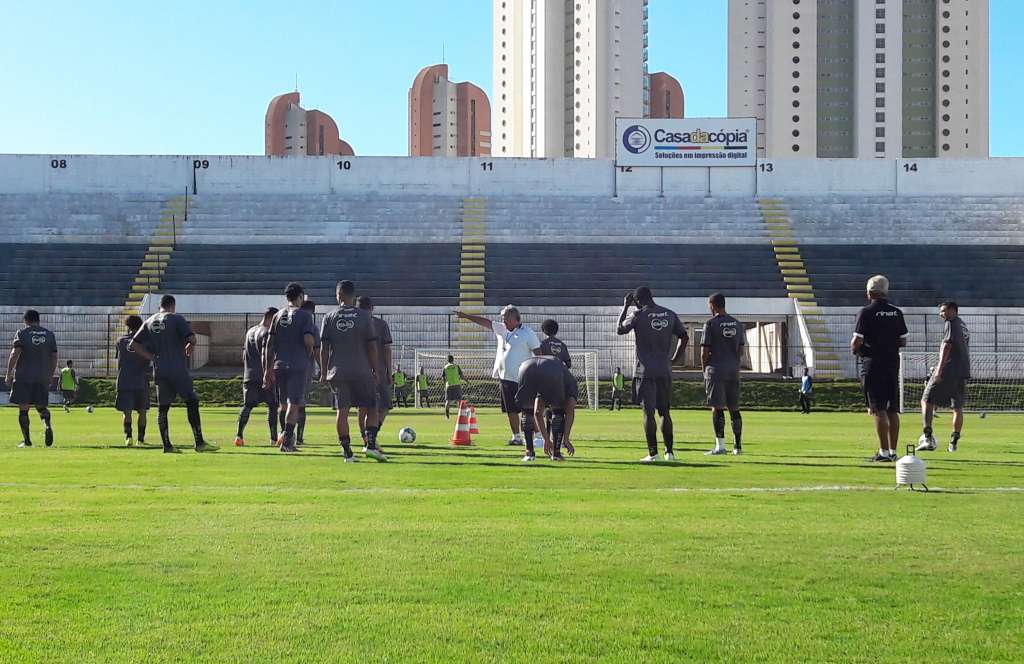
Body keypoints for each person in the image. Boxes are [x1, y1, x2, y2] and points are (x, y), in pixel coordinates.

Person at [129, 295, 217, 453]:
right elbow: (192, 338)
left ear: (159, 306)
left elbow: (133, 344)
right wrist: (190, 344)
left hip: (160, 369)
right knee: (192, 401)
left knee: (163, 408)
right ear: (173, 305)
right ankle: (199, 442)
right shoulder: (176, 319)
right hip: (177, 368)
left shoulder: (149, 321)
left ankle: (167, 445)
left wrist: (151, 357)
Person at [616, 287, 688, 463]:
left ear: (637, 301)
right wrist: (674, 359)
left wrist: (625, 307)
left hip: (645, 371)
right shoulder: (669, 314)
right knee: (665, 412)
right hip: (664, 369)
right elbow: (684, 337)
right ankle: (669, 453)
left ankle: (653, 453)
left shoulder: (638, 315)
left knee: (648, 413)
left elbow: (620, 329)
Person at [455, 305, 542, 446]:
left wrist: (539, 372)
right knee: (510, 410)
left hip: (523, 378)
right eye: (502, 318)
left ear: (515, 319)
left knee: (528, 410)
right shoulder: (502, 329)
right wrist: (466, 316)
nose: (503, 321)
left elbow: (538, 352)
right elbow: (485, 322)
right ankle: (516, 437)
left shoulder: (528, 333)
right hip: (505, 377)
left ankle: (538, 435)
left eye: (506, 318)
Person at [320, 280, 384, 462]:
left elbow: (324, 348)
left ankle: (347, 452)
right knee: (372, 406)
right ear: (353, 296)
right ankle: (370, 445)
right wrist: (375, 369)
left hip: (337, 372)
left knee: (342, 411)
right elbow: (372, 346)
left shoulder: (329, 317)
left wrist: (324, 372)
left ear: (338, 295)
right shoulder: (364, 316)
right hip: (361, 370)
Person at [851, 275, 908, 462]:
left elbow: (857, 341)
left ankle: (883, 452)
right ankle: (893, 451)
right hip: (892, 363)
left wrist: (858, 350)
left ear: (869, 292)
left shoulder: (866, 312)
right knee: (892, 410)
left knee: (878, 408)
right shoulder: (896, 312)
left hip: (873, 363)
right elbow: (903, 340)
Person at [264, 283, 316, 453]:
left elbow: (269, 345)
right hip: (297, 365)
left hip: (279, 365)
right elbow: (308, 339)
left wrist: (267, 369)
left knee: (283, 405)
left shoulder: (277, 316)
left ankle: (283, 438)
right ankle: (287, 443)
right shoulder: (304, 315)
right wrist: (308, 352)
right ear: (300, 296)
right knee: (294, 405)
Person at [918, 301, 970, 453]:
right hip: (962, 371)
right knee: (957, 407)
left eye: (944, 311)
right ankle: (953, 441)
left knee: (926, 400)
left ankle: (927, 437)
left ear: (953, 310)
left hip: (948, 370)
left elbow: (947, 346)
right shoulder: (962, 325)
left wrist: (939, 370)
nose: (941, 314)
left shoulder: (951, 323)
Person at [702, 293, 746, 456]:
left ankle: (720, 446)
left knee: (717, 407)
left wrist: (704, 369)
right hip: (733, 370)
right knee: (734, 408)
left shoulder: (710, 324)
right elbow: (741, 350)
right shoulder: (737, 324)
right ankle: (738, 446)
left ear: (713, 305)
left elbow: (704, 351)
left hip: (716, 370)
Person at [5, 309, 57, 448]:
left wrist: (8, 373)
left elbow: (15, 353)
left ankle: (27, 440)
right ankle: (47, 426)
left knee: (23, 409)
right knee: (41, 407)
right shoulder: (50, 335)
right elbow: (54, 358)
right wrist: (50, 375)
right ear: (38, 320)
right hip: (42, 377)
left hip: (24, 377)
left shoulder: (22, 333)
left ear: (26, 320)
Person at [514, 356, 578, 462]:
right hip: (550, 370)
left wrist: (546, 440)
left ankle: (529, 453)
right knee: (558, 412)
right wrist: (565, 439)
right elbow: (569, 412)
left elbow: (537, 412)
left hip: (526, 366)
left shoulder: (566, 381)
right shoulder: (572, 388)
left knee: (527, 411)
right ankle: (556, 453)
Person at [232, 307, 279, 448]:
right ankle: (273, 438)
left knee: (247, 405)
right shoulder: (266, 332)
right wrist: (268, 372)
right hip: (263, 374)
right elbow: (266, 354)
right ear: (272, 318)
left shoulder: (250, 331)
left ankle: (239, 436)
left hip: (249, 374)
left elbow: (244, 353)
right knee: (272, 405)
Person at [357, 296, 392, 450]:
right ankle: (370, 438)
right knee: (380, 406)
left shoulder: (356, 324)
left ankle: (369, 437)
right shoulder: (380, 324)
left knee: (367, 407)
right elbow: (386, 350)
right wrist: (389, 371)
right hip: (375, 371)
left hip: (361, 371)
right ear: (372, 308)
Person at [538, 318, 575, 454]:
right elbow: (569, 364)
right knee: (558, 412)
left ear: (543, 330)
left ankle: (547, 442)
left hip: (546, 381)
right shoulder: (562, 345)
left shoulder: (541, 344)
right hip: (561, 381)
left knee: (543, 411)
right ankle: (557, 448)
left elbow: (537, 361)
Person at [115, 315, 152, 447]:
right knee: (142, 411)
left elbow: (118, 359)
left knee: (127, 411)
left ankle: (128, 437)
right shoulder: (146, 342)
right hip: (141, 380)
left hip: (124, 380)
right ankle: (140, 439)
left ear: (127, 326)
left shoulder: (120, 341)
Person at [296, 299, 318, 446]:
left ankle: (282, 434)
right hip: (303, 370)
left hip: (285, 367)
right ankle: (298, 437)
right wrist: (323, 368)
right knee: (300, 403)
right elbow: (315, 349)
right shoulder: (311, 326)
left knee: (285, 402)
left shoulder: (289, 322)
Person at [442, 355, 466, 420]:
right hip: (456, 385)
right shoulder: (456, 366)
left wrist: (444, 385)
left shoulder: (445, 367)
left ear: (447, 360)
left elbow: (443, 378)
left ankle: (447, 416)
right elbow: (461, 376)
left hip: (449, 385)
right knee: (459, 400)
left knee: (448, 401)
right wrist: (466, 380)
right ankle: (461, 415)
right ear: (453, 360)